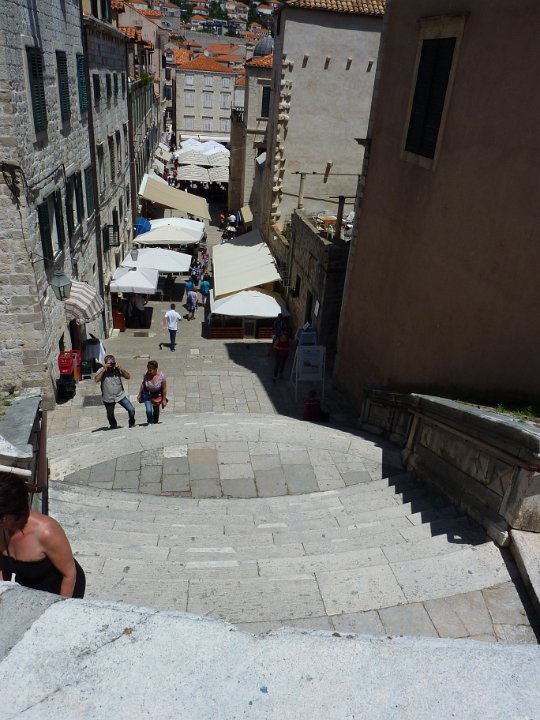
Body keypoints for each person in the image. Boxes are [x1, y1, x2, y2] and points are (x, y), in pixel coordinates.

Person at [0, 472, 85, 598]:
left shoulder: (47, 532)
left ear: (15, 511)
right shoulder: (3, 527)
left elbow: (70, 575)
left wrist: (59, 607)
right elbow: (3, 570)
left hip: (61, 590)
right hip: (29, 587)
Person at [94, 355, 136, 429]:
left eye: (111, 363)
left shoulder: (117, 369)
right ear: (105, 363)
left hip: (120, 395)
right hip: (108, 397)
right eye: (108, 364)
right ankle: (113, 426)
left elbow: (128, 376)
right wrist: (104, 369)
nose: (110, 365)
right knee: (110, 415)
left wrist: (120, 369)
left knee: (131, 409)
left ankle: (132, 422)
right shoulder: (102, 370)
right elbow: (96, 379)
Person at [137, 360, 168, 425]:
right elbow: (143, 384)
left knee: (156, 411)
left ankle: (155, 422)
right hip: (147, 393)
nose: (149, 372)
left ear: (156, 369)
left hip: (157, 395)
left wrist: (164, 399)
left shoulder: (162, 376)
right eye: (148, 369)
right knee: (149, 410)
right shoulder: (146, 374)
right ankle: (150, 422)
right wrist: (139, 394)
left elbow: (164, 388)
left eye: (151, 370)